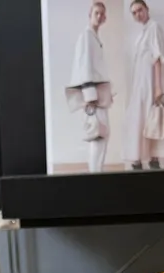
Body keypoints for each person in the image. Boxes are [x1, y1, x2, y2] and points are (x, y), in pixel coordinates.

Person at [65, 2, 113, 173]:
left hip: (99, 93)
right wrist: (90, 97)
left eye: (102, 14)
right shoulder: (86, 36)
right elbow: (84, 66)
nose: (99, 16)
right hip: (92, 95)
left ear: (105, 18)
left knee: (103, 134)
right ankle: (95, 174)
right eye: (96, 13)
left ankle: (97, 171)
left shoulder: (95, 37)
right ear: (90, 15)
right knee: (97, 135)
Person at [123, 0, 164, 170]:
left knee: (151, 120)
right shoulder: (142, 32)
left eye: (139, 10)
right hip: (139, 84)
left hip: (149, 83)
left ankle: (153, 160)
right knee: (138, 119)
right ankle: (138, 159)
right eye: (133, 13)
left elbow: (157, 58)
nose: (137, 14)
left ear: (147, 9)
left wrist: (158, 87)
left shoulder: (153, 27)